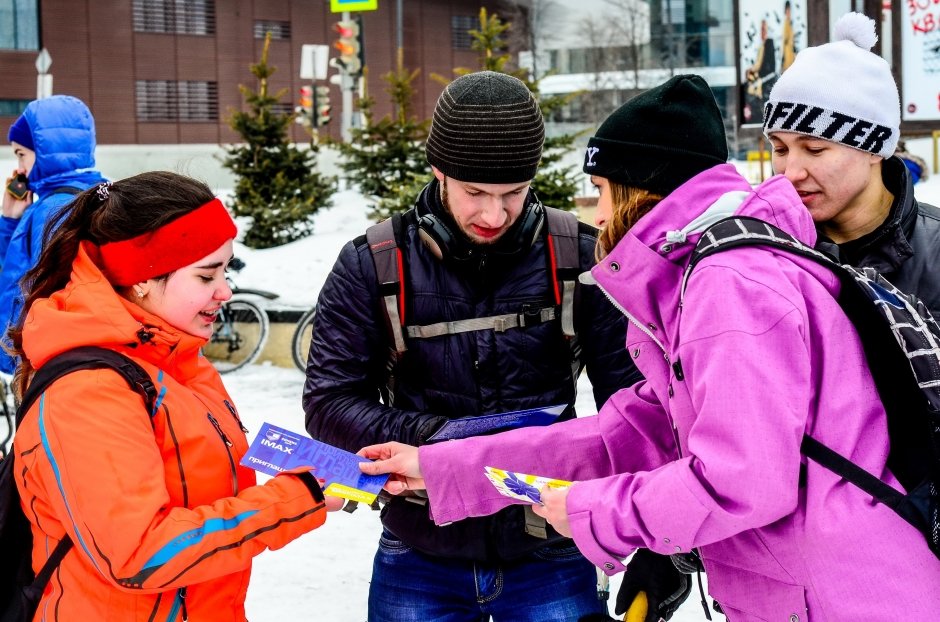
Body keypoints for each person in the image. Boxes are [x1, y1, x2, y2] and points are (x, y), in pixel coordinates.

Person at [358, 74, 940, 620]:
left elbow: (742, 480)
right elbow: (632, 433)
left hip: (848, 593)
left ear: (641, 191)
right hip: (812, 584)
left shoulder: (729, 283)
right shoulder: (714, 273)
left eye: (604, 191)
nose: (601, 213)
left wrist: (593, 512)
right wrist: (440, 467)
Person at [301, 70, 682, 621]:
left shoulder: (580, 257)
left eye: (513, 194)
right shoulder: (373, 263)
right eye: (474, 192)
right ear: (439, 173)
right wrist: (447, 443)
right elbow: (329, 404)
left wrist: (657, 538)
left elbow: (638, 406)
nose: (493, 215)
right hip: (419, 548)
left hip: (550, 544)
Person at [10, 171, 343, 620]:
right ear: (142, 279)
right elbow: (140, 554)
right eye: (206, 276)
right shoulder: (88, 392)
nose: (225, 291)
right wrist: (299, 496)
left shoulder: (179, 358)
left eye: (226, 270)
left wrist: (321, 468)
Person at [764, 12, 940, 319]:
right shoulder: (768, 249)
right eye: (779, 148)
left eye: (815, 149)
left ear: (874, 147)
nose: (791, 173)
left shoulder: (935, 250)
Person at [0, 95, 107, 374]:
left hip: (40, 358)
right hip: (63, 356)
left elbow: (38, 286)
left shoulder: (52, 210)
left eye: (22, 154)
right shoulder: (94, 195)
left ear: (46, 153)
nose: (20, 169)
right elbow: (22, 266)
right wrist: (11, 220)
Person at [743, 19, 777, 123]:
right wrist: (751, 70)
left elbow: (767, 65)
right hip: (761, 76)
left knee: (753, 88)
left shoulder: (769, 44)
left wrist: (755, 73)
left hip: (767, 76)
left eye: (764, 29)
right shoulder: (761, 46)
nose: (762, 32)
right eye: (761, 29)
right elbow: (758, 64)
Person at [781, 1, 795, 72]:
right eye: (787, 10)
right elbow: (785, 40)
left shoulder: (790, 22)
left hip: (791, 51)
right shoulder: (786, 22)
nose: (788, 12)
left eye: (789, 10)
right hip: (787, 51)